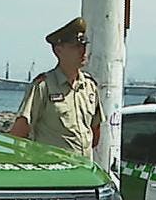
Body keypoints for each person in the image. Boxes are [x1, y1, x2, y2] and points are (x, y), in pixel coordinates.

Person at [10, 17, 103, 158]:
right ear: (58, 50)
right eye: (76, 46)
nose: (83, 51)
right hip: (54, 174)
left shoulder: (89, 87)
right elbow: (20, 133)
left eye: (84, 45)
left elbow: (95, 134)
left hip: (83, 173)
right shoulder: (43, 86)